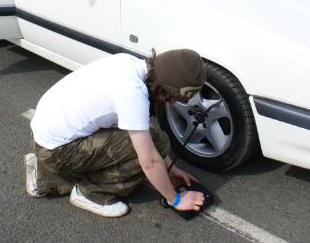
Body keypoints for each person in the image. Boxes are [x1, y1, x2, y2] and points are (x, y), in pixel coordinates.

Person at [25, 49, 206, 217]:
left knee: (154, 139)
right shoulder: (132, 93)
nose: (173, 102)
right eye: (172, 96)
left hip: (45, 134)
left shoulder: (127, 62)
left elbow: (146, 134)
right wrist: (175, 199)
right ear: (163, 86)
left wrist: (171, 169)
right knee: (147, 151)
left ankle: (43, 174)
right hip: (55, 152)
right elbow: (149, 160)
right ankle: (91, 194)